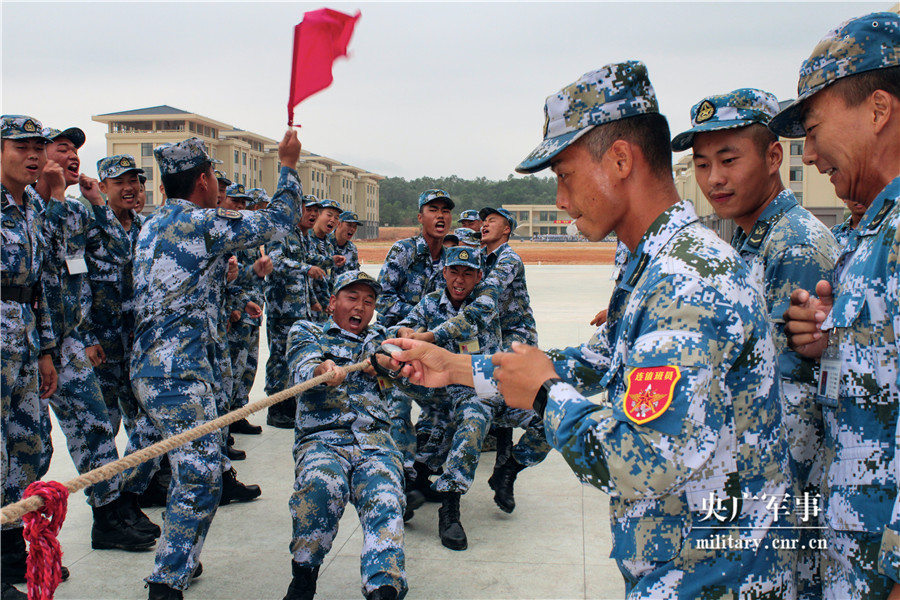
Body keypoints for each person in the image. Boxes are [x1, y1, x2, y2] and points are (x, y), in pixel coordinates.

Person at [386, 62, 796, 598]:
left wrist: (546, 395)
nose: (560, 199)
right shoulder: (654, 263)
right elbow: (595, 360)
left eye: (565, 175)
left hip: (713, 577)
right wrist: (456, 367)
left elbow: (643, 462)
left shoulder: (684, 281)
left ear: (621, 160)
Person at [673, 88, 840, 597]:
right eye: (702, 164)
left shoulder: (793, 245)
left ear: (773, 157)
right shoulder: (751, 238)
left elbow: (794, 400)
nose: (713, 179)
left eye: (728, 160)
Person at [128, 132, 302, 599]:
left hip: (151, 370)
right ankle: (166, 581)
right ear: (204, 180)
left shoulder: (154, 223)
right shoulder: (200, 221)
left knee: (165, 463)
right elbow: (280, 221)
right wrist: (287, 165)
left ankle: (165, 541)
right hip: (177, 375)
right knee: (202, 476)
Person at [774, 12, 900, 599]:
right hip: (851, 548)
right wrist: (836, 343)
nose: (812, 153)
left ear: (878, 111)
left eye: (816, 128)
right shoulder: (870, 231)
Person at [284, 270, 406, 600]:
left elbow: (409, 377)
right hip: (323, 439)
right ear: (332, 303)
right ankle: (304, 575)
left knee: (387, 498)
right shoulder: (308, 331)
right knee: (322, 486)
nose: (361, 307)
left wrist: (389, 364)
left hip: (375, 442)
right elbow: (301, 364)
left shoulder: (382, 340)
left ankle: (384, 588)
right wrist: (321, 371)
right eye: (352, 298)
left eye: (369, 302)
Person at [0, 115, 59, 600]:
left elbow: (37, 286)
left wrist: (43, 350)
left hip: (22, 336)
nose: (34, 155)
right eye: (22, 146)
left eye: (39, 146)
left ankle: (10, 547)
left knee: (29, 447)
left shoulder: (32, 205)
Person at [307, 199, 346, 322]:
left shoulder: (329, 244)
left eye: (336, 217)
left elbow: (328, 279)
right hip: (307, 306)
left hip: (324, 309)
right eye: (329, 215)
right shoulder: (305, 239)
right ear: (318, 215)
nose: (333, 220)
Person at [332, 210, 361, 277]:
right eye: (349, 225)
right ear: (339, 224)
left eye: (355, 226)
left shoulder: (352, 248)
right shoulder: (325, 243)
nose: (352, 229)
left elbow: (355, 273)